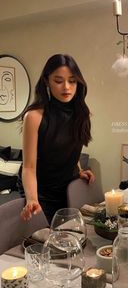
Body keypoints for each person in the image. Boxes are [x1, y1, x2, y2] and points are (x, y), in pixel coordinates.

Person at [18, 53, 95, 223]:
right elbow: (28, 167)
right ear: (46, 81)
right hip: (41, 193)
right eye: (58, 81)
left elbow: (71, 147)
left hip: (69, 189)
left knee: (76, 239)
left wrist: (79, 170)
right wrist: (32, 199)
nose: (66, 87)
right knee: (47, 244)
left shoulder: (83, 114)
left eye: (72, 80)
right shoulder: (34, 116)